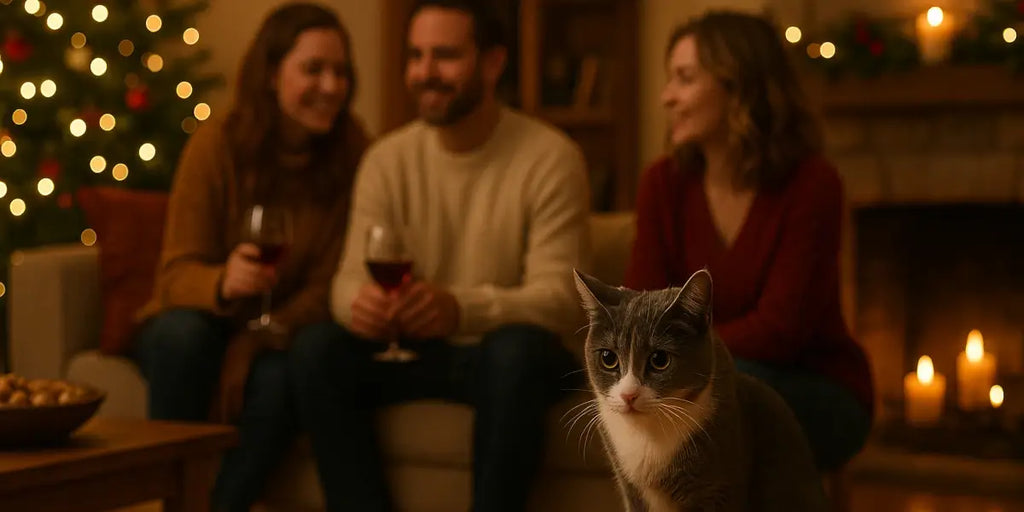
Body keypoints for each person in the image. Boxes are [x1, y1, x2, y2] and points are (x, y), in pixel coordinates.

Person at [287, 0, 592, 510]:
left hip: (502, 360)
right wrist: (360, 305)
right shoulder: (387, 159)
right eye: (415, 56)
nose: (424, 74)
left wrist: (459, 308)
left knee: (514, 351)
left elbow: (562, 298)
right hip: (415, 351)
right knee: (316, 349)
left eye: (445, 56)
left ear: (493, 63)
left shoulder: (550, 157)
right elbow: (343, 284)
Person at [132, 3, 370, 511]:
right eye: (313, 69)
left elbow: (327, 286)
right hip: (201, 324)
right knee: (183, 337)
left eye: (341, 71)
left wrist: (257, 339)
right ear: (269, 72)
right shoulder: (215, 145)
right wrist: (223, 281)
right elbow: (174, 276)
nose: (331, 86)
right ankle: (170, 496)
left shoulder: (354, 154)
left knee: (283, 377)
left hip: (281, 332)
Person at [624, 10, 873, 472]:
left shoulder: (811, 184)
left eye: (684, 78)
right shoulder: (663, 184)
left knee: (731, 400)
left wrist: (675, 359)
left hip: (814, 385)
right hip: (693, 380)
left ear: (738, 86)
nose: (666, 97)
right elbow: (641, 309)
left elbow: (781, 330)